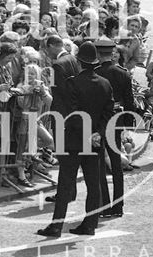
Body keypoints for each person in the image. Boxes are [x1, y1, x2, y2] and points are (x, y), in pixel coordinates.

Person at [36, 42, 114, 238]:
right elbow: (108, 113)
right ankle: (90, 225)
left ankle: (56, 226)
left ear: (79, 62)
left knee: (65, 183)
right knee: (93, 184)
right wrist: (99, 133)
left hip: (74, 140)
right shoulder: (105, 84)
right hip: (95, 141)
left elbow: (70, 114)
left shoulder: (72, 83)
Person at [94, 39, 135, 218]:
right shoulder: (122, 74)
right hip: (116, 121)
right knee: (116, 165)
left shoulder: (94, 73)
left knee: (100, 165)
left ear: (97, 54)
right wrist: (127, 125)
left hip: (98, 122)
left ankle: (104, 206)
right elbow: (129, 102)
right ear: (112, 53)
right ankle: (118, 206)